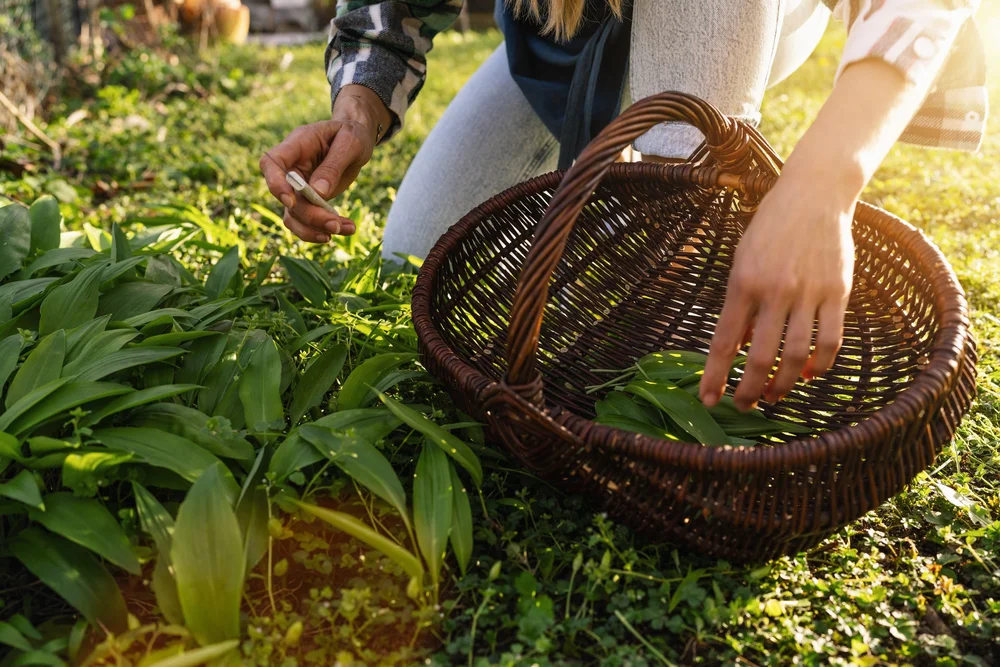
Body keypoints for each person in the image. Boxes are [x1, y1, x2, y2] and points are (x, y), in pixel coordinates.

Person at [261, 0, 986, 413]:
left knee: (649, 317)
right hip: (568, 26)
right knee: (415, 256)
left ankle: (691, 203)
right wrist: (356, 113)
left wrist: (820, 186)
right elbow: (390, 12)